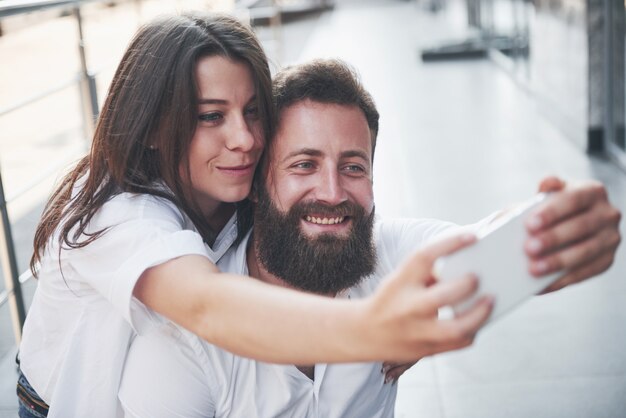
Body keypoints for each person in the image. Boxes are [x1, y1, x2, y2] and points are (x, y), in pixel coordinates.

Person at [14, 12, 513, 418]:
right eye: (211, 115)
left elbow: (484, 248)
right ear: (153, 127)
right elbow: (208, 305)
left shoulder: (237, 196)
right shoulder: (120, 216)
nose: (245, 138)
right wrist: (380, 328)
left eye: (253, 112)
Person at [117, 59, 622, 418]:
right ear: (256, 184)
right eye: (304, 165)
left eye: (353, 167)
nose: (332, 192)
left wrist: (569, 224)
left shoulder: (392, 254)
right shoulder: (178, 344)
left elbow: (495, 247)